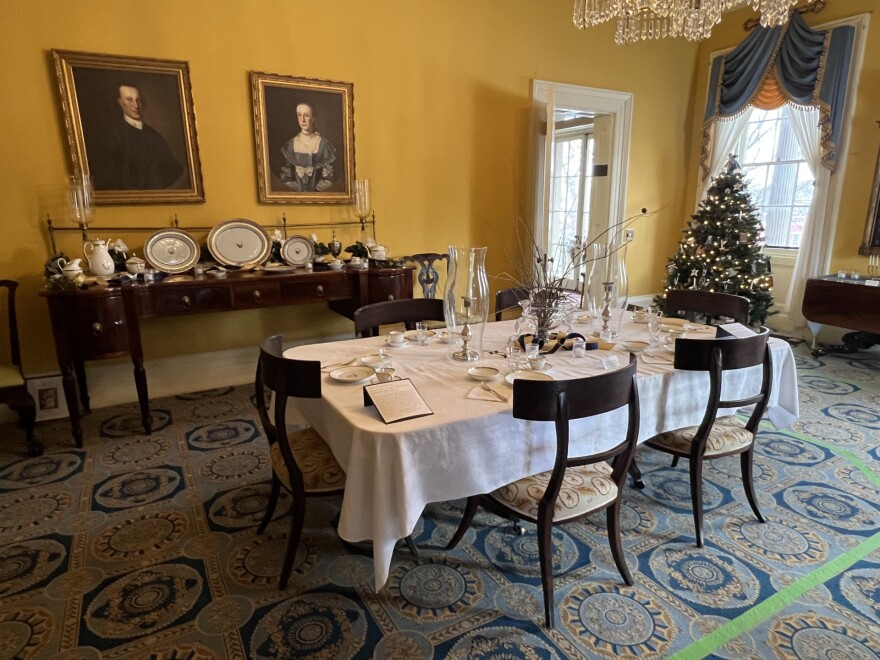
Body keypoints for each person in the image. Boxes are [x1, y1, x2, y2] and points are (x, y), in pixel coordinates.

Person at [93, 84, 184, 190]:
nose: (136, 105)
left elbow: (173, 172)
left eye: (138, 100)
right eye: (129, 100)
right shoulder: (113, 137)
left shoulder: (155, 137)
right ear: (119, 102)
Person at [279, 102, 336, 192]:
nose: (302, 120)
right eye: (299, 115)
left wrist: (313, 194)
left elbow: (329, 178)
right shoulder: (290, 145)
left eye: (306, 115)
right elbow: (286, 178)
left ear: (313, 118)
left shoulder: (323, 144)